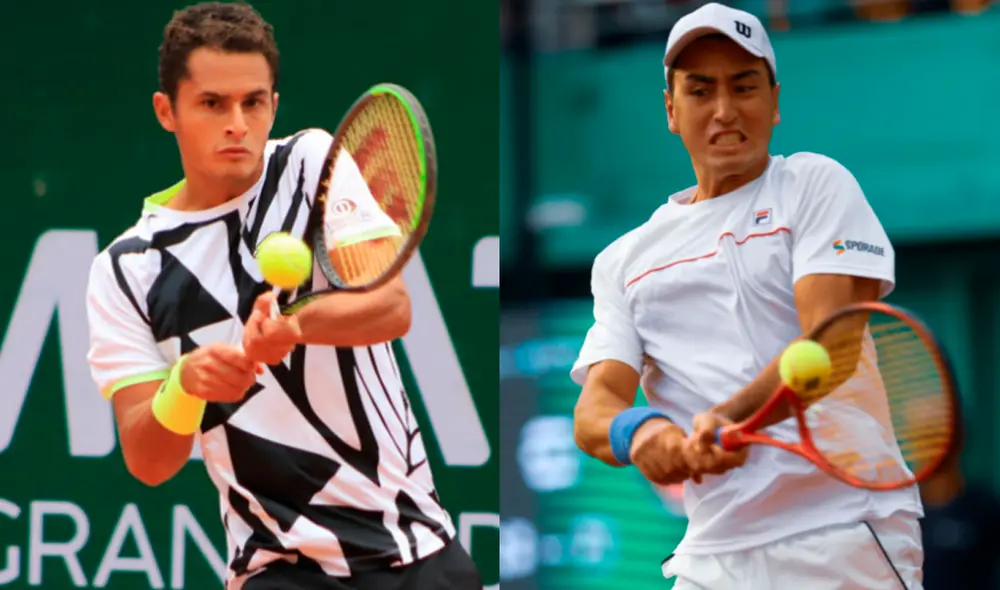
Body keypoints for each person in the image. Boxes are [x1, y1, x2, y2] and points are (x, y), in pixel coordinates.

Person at [83, 3, 480, 589]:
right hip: (277, 568)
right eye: (213, 103)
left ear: (273, 103)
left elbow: (392, 308)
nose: (237, 123)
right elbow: (148, 461)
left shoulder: (312, 163)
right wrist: (186, 384)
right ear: (167, 111)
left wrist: (295, 328)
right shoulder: (124, 269)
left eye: (253, 101)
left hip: (413, 543)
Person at [570, 3, 923, 588]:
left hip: (841, 528)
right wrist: (643, 434)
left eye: (744, 86)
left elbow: (828, 348)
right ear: (671, 110)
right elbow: (595, 409)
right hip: (713, 554)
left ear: (775, 101)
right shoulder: (622, 261)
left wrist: (728, 418)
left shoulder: (813, 183)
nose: (725, 110)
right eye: (701, 90)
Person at [919, 411, 1000, 589]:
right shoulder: (899, 514)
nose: (929, 443)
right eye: (922, 435)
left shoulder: (985, 508)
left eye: (936, 432)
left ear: (959, 437)